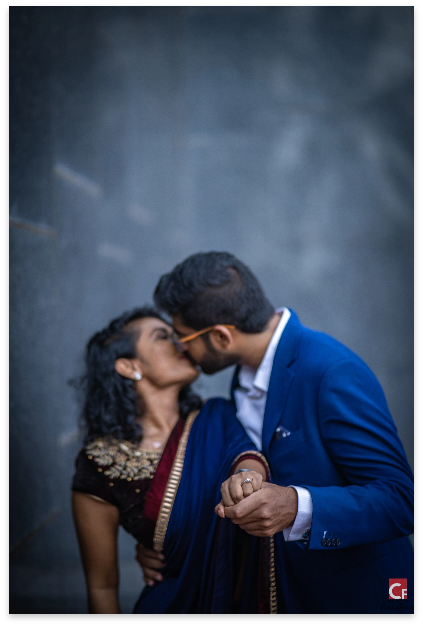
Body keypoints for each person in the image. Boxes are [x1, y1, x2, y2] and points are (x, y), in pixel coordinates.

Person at [137, 251, 414, 614]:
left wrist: (297, 507)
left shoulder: (330, 371)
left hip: (358, 595)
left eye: (182, 337)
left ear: (221, 337)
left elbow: (400, 499)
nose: (180, 348)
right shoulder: (241, 378)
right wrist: (167, 548)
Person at [70, 305, 276, 614]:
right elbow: (102, 587)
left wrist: (247, 479)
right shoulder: (100, 462)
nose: (180, 343)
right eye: (162, 336)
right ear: (129, 366)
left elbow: (246, 458)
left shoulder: (215, 416)